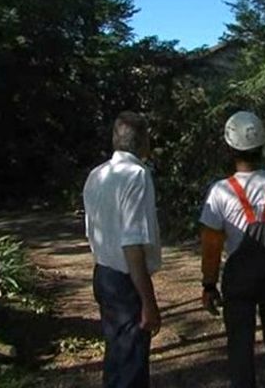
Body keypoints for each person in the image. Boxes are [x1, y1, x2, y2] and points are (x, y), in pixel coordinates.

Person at [199, 111, 265, 388]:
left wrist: (209, 284)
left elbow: (211, 246)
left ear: (229, 147)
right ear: (262, 145)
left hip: (239, 277)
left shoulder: (220, 191)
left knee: (240, 346)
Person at [83, 111, 162, 388]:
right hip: (125, 280)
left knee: (116, 357)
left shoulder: (97, 175)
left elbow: (92, 231)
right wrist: (148, 302)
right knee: (131, 366)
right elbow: (131, 243)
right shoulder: (137, 175)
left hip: (103, 273)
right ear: (143, 142)